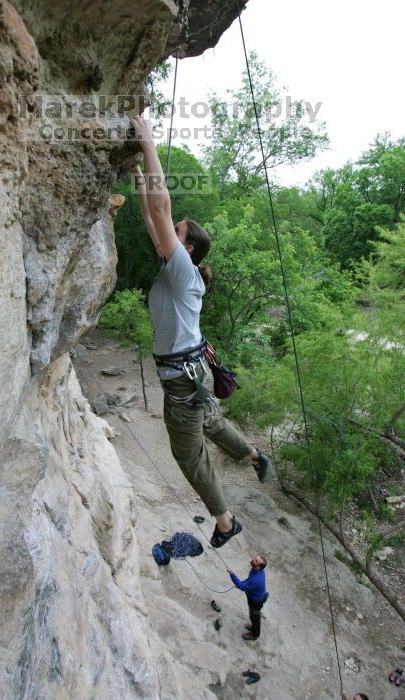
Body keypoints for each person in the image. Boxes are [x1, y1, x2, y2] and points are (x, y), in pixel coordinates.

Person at [129, 114, 271, 548]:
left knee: (188, 452)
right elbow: (154, 220)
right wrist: (137, 176)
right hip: (196, 373)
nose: (168, 233)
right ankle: (253, 455)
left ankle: (226, 521)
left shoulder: (183, 272)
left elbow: (160, 209)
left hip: (184, 381)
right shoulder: (179, 270)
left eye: (177, 233)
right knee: (208, 420)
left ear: (186, 248)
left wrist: (149, 145)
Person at [227, 554, 268, 639]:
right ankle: (253, 627)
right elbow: (247, 582)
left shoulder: (256, 579)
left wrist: (232, 574)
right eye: (255, 558)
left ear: (259, 567)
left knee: (254, 617)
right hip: (257, 596)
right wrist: (243, 585)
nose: (253, 560)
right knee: (252, 615)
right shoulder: (256, 569)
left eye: (256, 561)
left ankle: (255, 635)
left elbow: (243, 586)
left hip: (256, 601)